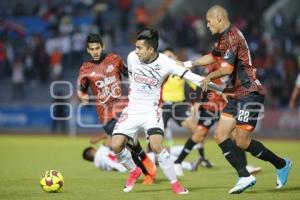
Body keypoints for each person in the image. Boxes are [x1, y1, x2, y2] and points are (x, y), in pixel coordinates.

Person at [183, 5, 292, 194]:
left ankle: (282, 164)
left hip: (249, 92)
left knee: (242, 141)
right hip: (236, 94)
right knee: (220, 135)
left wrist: (208, 77)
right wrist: (187, 64)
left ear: (219, 18)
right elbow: (212, 56)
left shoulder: (231, 37)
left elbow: (226, 69)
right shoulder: (223, 39)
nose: (207, 26)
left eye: (209, 22)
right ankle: (244, 176)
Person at [110, 27, 223, 194]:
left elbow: (194, 78)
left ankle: (175, 184)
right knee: (116, 145)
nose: (136, 51)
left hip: (151, 111)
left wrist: (223, 90)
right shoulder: (132, 57)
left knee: (156, 146)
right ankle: (134, 170)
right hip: (132, 110)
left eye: (140, 48)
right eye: (136, 47)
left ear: (150, 49)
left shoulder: (166, 63)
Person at [77, 33, 156, 185]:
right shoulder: (85, 69)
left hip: (121, 108)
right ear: (88, 50)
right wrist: (83, 97)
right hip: (105, 116)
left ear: (103, 47)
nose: (95, 51)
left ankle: (147, 171)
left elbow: (129, 74)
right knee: (125, 145)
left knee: (127, 140)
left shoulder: (115, 59)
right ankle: (145, 167)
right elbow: (82, 89)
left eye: (97, 48)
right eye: (92, 49)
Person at [174, 61, 261, 175]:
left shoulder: (233, 67)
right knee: (198, 136)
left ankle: (245, 166)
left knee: (235, 135)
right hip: (210, 107)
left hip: (225, 106)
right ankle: (178, 162)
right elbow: (201, 82)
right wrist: (198, 102)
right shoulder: (213, 66)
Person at [160, 48, 213, 176]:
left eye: (170, 56)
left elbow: (197, 85)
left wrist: (197, 104)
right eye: (165, 56)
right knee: (157, 133)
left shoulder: (182, 70)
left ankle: (202, 158)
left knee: (197, 130)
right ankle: (154, 157)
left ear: (175, 56)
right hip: (164, 106)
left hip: (180, 105)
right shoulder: (159, 69)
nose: (168, 58)